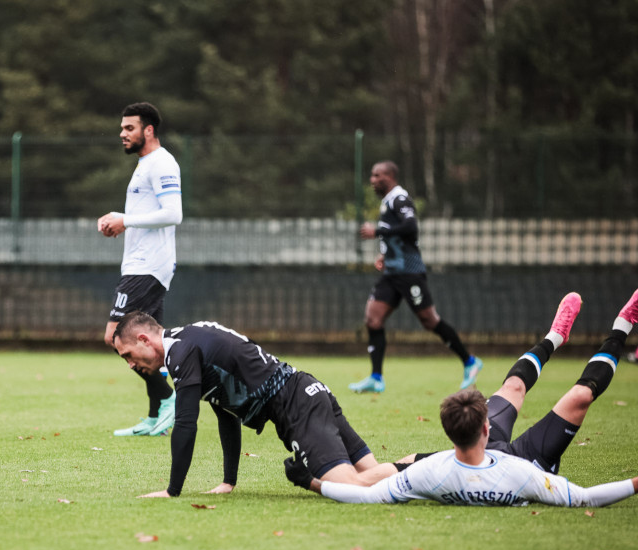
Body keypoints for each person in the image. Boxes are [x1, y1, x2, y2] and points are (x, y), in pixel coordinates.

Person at [310, 288, 638, 507]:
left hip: (469, 458)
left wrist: (313, 482)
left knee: (512, 387)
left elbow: (370, 497)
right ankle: (622, 325)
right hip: (526, 457)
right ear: (485, 428)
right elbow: (584, 498)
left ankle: (554, 337)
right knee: (580, 395)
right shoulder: (522, 476)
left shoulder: (432, 470)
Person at [111, 312, 399, 497]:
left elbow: (186, 422)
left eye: (127, 355)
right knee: (371, 476)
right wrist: (229, 481)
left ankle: (433, 466)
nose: (130, 364)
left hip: (298, 406)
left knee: (348, 486)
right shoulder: (188, 340)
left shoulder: (179, 352)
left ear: (144, 339)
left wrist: (172, 491)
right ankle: (427, 466)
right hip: (307, 393)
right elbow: (226, 414)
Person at [349, 161, 482, 394]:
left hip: (409, 272)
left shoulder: (400, 199)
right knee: (373, 319)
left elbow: (410, 227)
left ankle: (470, 362)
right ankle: (376, 378)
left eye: (376, 175)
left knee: (430, 321)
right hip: (392, 273)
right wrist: (383, 253)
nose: (372, 180)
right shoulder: (387, 202)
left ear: (389, 177)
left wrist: (377, 232)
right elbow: (398, 237)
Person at [98, 102, 181, 437]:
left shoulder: (161, 163)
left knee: (116, 336)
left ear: (148, 130)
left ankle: (169, 399)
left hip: (146, 268)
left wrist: (126, 220)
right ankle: (154, 417)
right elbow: (150, 213)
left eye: (129, 128)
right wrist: (119, 219)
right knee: (150, 346)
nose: (122, 134)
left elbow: (173, 213)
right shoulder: (146, 164)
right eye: (122, 128)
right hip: (144, 265)